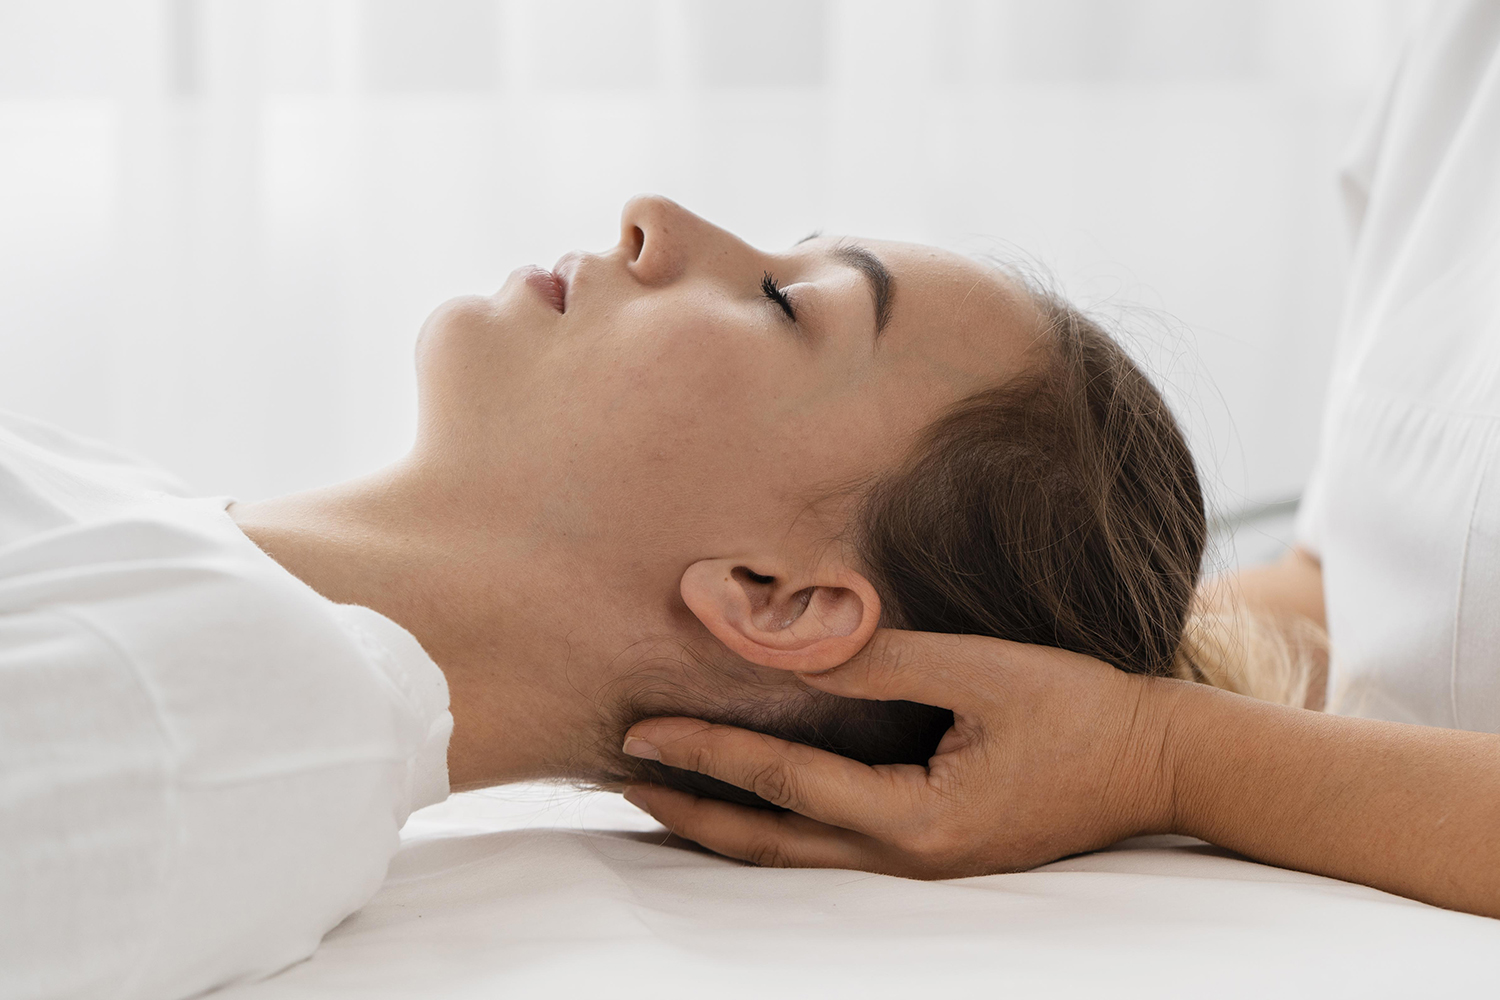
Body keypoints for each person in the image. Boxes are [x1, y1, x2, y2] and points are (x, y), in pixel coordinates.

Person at [5, 183, 1202, 998]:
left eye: (783, 302)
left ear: (772, 596)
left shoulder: (240, 728)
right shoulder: (125, 517)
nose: (656, 218)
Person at [618, 0, 1500, 923]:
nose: (652, 218)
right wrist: (1030, 656)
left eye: (781, 302)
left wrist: (1157, 754)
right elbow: (1350, 598)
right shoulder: (1460, 52)